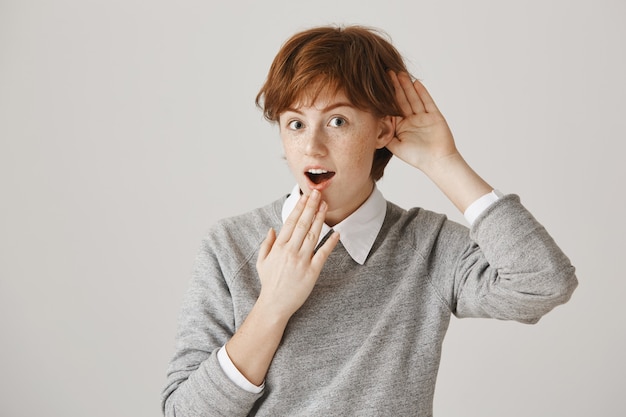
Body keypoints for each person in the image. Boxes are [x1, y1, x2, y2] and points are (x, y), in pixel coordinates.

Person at [161, 25, 577, 416]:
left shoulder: (427, 246)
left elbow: (543, 282)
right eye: (295, 123)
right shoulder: (231, 245)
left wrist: (444, 163)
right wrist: (272, 306)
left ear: (383, 129)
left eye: (337, 121)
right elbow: (185, 411)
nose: (312, 146)